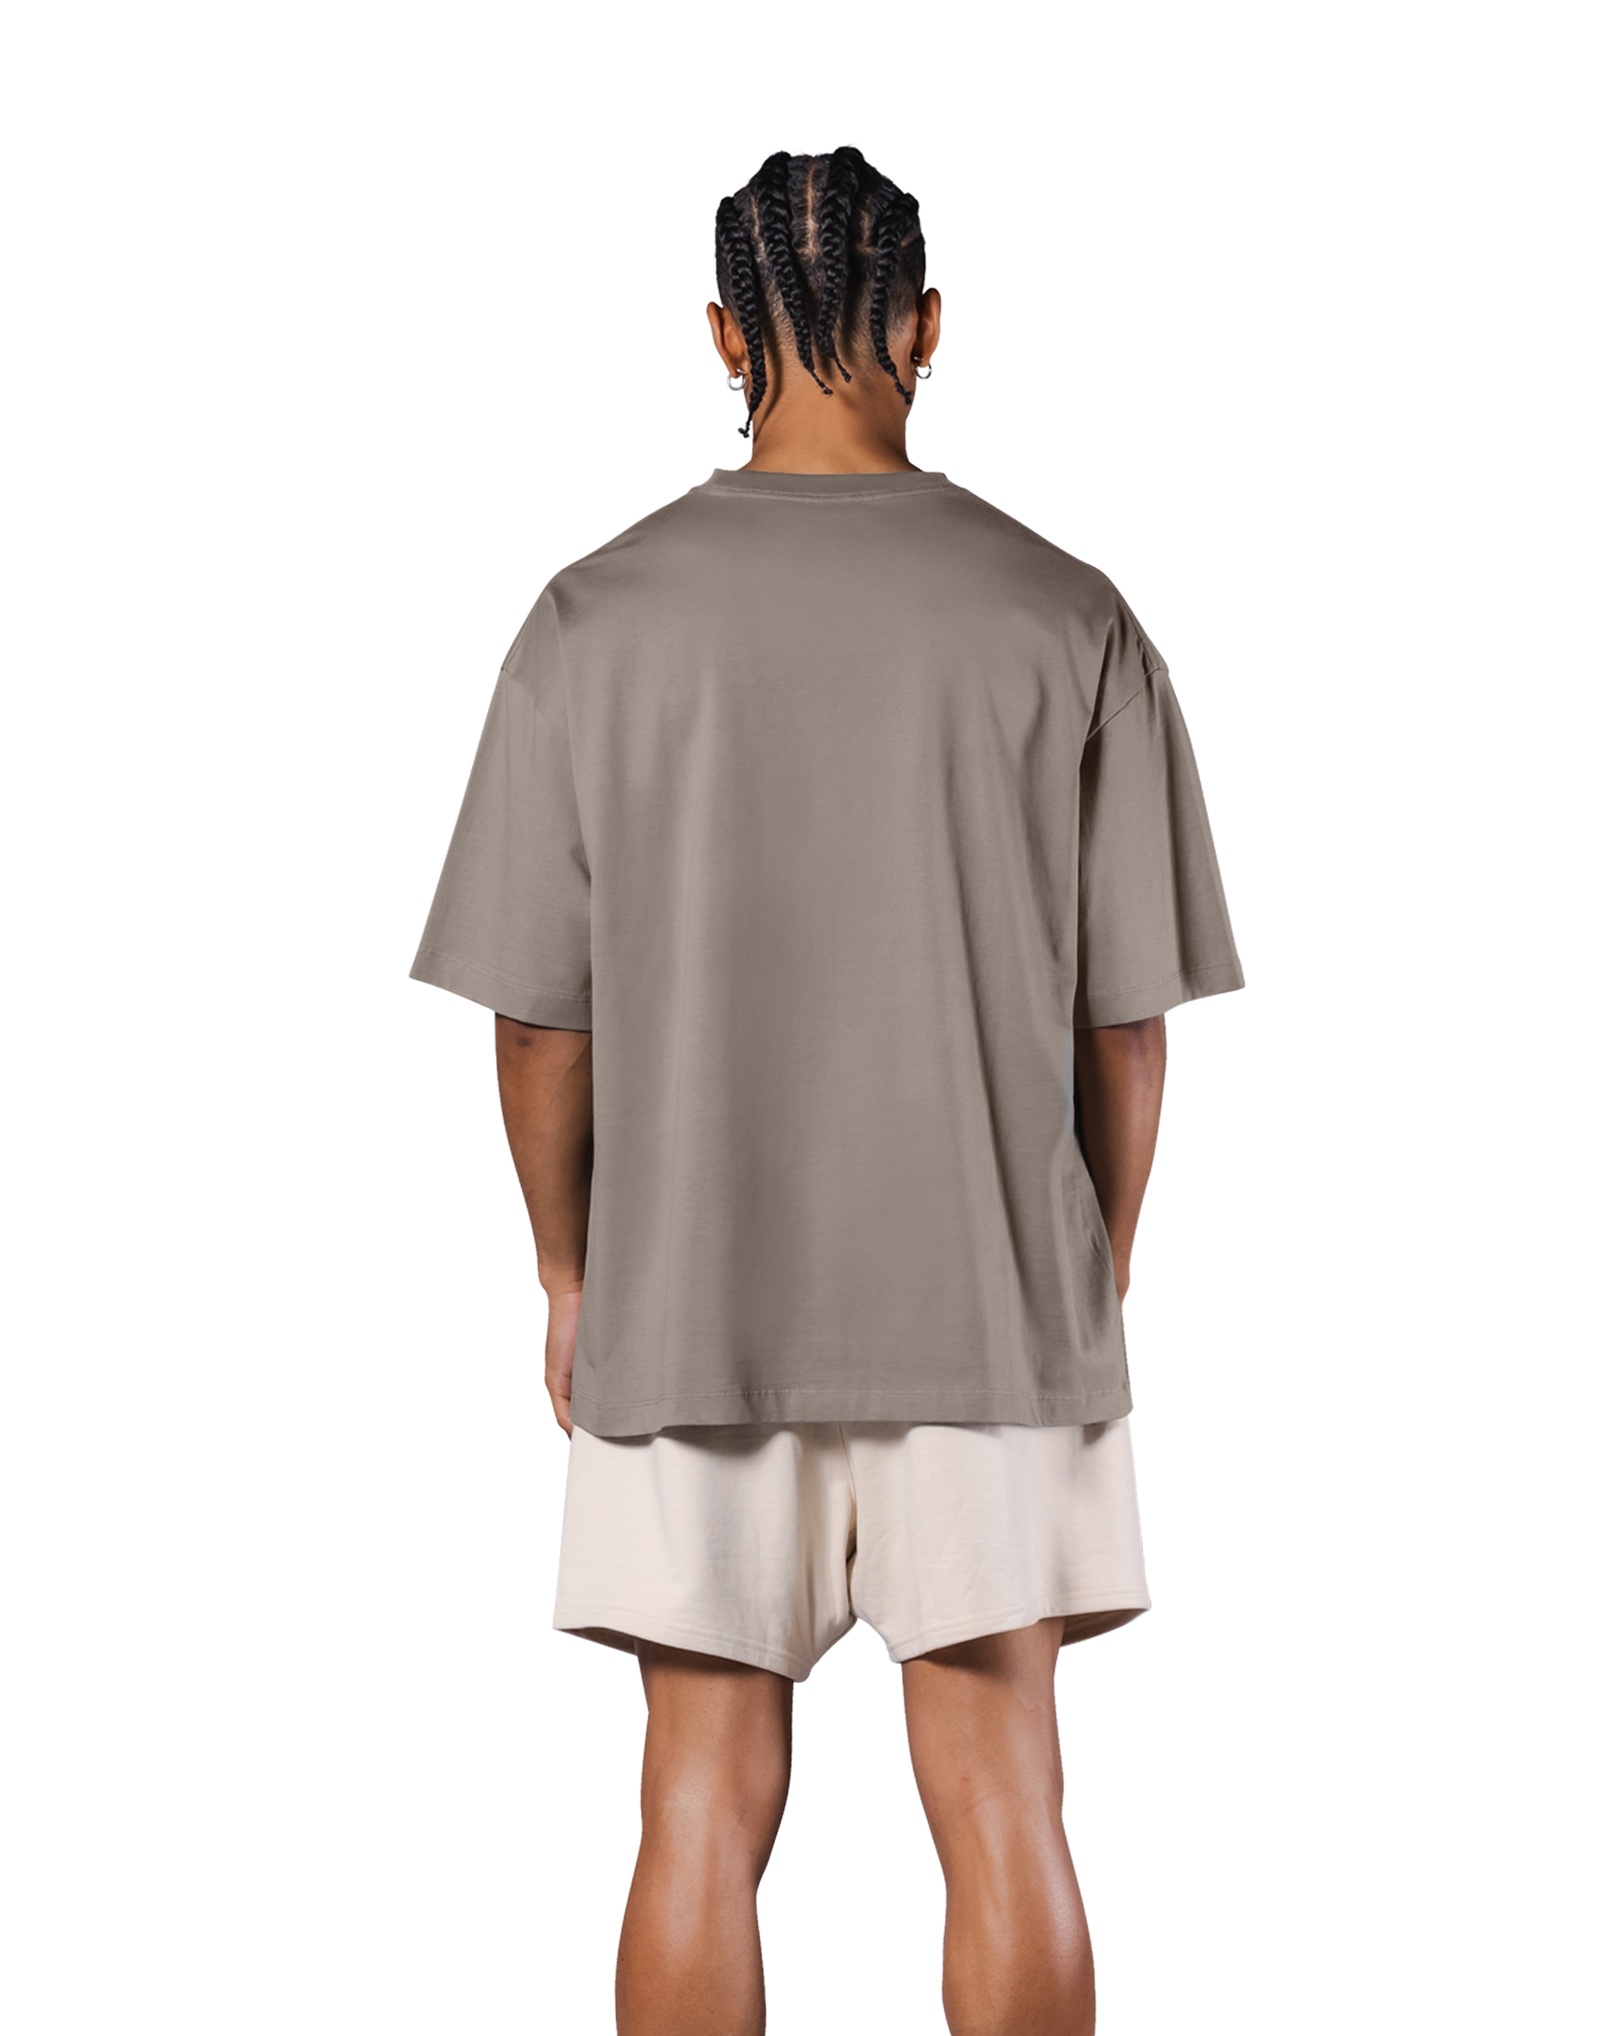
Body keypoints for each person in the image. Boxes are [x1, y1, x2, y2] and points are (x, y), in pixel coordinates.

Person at [405, 138, 1247, 2036]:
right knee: (1007, 1801)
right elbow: (1131, 1028)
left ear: (719, 335)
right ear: (933, 327)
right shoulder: (1070, 610)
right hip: (988, 1305)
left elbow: (536, 1027)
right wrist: (1098, 1275)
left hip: (690, 1299)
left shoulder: (591, 615)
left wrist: (566, 1275)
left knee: (696, 1811)